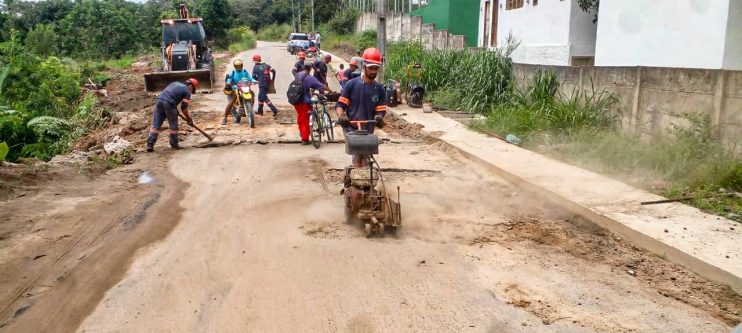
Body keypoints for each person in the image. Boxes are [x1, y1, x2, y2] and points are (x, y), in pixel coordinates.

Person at [336, 47, 386, 136]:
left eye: (376, 68)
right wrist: (342, 116)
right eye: (371, 68)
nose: (374, 71)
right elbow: (340, 105)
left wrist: (379, 118)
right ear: (364, 66)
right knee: (354, 148)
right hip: (350, 129)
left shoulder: (380, 89)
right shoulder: (351, 85)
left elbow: (380, 110)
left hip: (368, 130)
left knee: (369, 149)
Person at [146, 78, 197, 152]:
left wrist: (175, 109)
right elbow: (184, 108)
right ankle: (174, 144)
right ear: (191, 86)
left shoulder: (174, 83)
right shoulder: (187, 91)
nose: (191, 91)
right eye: (192, 90)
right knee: (173, 125)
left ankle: (150, 144)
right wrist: (189, 119)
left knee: (156, 124)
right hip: (169, 104)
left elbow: (168, 94)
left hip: (159, 101)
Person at [293, 60, 327, 145]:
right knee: (305, 119)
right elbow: (321, 86)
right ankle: (305, 139)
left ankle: (302, 133)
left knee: (300, 117)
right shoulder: (309, 77)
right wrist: (330, 90)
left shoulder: (298, 74)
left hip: (295, 100)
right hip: (304, 101)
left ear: (303, 67)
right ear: (310, 69)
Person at [222, 59, 258, 125]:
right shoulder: (232, 73)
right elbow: (229, 80)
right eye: (237, 66)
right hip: (235, 89)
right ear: (235, 66)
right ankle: (225, 118)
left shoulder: (245, 72)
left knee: (252, 94)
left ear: (242, 65)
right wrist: (228, 83)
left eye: (240, 66)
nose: (238, 67)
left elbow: (250, 78)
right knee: (231, 102)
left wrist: (255, 81)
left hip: (244, 88)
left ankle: (250, 109)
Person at [251, 54, 279, 119]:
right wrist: (273, 79)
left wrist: (256, 80)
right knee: (260, 97)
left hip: (262, 84)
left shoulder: (255, 67)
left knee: (264, 97)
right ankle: (260, 110)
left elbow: (253, 76)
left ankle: (274, 110)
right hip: (267, 83)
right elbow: (274, 71)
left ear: (255, 61)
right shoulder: (267, 65)